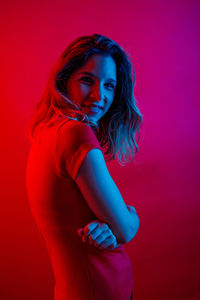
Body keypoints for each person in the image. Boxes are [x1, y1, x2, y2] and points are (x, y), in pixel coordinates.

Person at [25, 33, 143, 300]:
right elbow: (125, 229)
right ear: (64, 80)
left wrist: (106, 228)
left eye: (110, 86)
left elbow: (73, 217)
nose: (100, 96)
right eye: (87, 80)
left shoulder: (45, 130)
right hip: (101, 288)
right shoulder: (75, 134)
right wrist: (132, 215)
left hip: (76, 288)